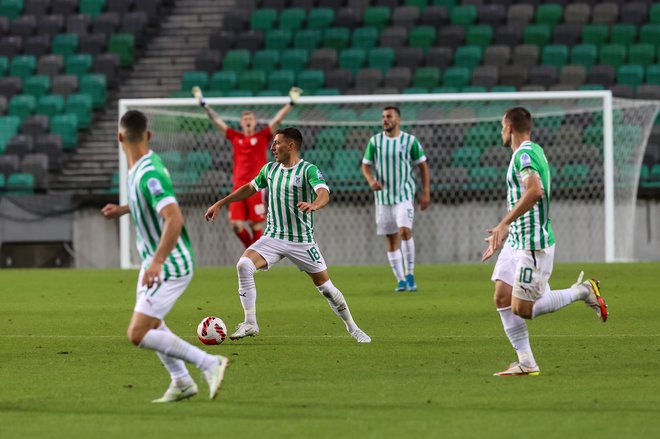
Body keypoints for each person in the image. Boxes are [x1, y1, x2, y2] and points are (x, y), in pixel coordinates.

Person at [102, 110, 228, 402]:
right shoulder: (140, 169)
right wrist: (121, 210)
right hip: (154, 261)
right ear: (148, 136)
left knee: (138, 332)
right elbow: (148, 204)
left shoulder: (149, 172)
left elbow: (174, 219)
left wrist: (158, 261)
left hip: (169, 263)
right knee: (153, 324)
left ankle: (210, 363)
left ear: (119, 137)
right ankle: (182, 381)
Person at [204, 127, 371, 343]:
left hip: (302, 241)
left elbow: (324, 192)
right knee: (244, 265)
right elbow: (249, 188)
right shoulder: (270, 170)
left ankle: (353, 328)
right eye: (273, 143)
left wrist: (314, 205)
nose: (273, 147)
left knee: (327, 289)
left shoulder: (308, 170)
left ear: (291, 146)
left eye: (277, 143)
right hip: (273, 237)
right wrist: (221, 203)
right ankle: (250, 323)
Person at [482, 107, 608, 377]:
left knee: (523, 309)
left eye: (502, 126)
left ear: (509, 127)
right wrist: (506, 230)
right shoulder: (529, 152)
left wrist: (503, 222)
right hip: (517, 240)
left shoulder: (525, 155)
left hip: (532, 244)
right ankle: (526, 362)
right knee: (502, 297)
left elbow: (535, 190)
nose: (501, 131)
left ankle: (583, 291)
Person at [193, 86, 302, 248]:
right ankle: (254, 251)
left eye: (250, 118)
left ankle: (255, 256)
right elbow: (217, 121)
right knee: (236, 225)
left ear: (255, 121)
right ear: (242, 123)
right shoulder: (235, 137)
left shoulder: (263, 136)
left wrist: (291, 103)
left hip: (256, 187)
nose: (248, 121)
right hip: (238, 186)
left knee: (255, 225)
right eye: (245, 119)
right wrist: (204, 104)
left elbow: (277, 121)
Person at [361, 106, 431, 292]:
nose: (385, 120)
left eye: (389, 117)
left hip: (404, 195)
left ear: (398, 120)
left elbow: (422, 166)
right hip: (383, 198)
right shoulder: (375, 141)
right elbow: (365, 166)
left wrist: (425, 192)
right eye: (383, 117)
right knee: (391, 238)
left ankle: (410, 274)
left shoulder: (410, 141)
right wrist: (371, 181)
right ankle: (400, 280)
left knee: (404, 231)